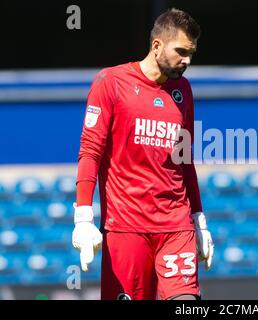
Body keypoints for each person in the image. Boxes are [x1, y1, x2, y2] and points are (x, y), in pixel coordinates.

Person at [71, 8, 214, 300]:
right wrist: (83, 217)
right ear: (157, 45)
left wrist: (198, 219)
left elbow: (184, 161)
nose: (187, 60)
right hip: (126, 228)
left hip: (176, 227)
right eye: (181, 51)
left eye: (191, 53)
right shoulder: (110, 82)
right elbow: (90, 150)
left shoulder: (183, 91)